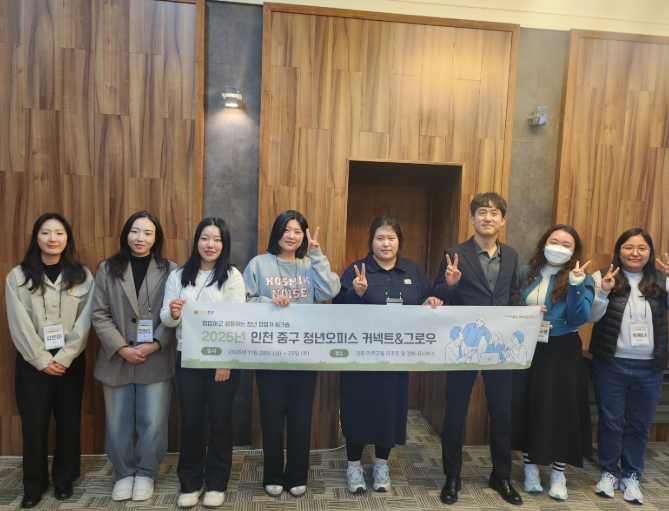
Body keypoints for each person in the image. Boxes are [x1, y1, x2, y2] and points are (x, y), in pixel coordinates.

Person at [334, 216, 442, 494]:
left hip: (396, 358)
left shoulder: (413, 270)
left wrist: (431, 300)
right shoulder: (357, 269)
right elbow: (338, 309)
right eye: (380, 238)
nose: (385, 243)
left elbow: (426, 300)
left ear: (399, 241)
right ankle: (354, 465)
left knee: (389, 410)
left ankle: (381, 463)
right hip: (359, 358)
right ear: (371, 241)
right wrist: (356, 293)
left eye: (391, 238)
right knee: (357, 409)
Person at [432, 192, 526, 506]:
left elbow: (512, 295)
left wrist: (527, 313)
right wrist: (450, 284)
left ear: (503, 220)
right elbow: (438, 294)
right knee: (455, 411)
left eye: (494, 213)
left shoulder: (510, 255)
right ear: (472, 218)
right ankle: (452, 477)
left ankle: (501, 476)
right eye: (482, 212)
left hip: (500, 345)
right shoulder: (454, 253)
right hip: (466, 346)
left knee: (502, 413)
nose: (488, 217)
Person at [243, 210, 340, 498]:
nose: (292, 236)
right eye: (287, 229)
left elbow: (330, 291)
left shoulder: (310, 264)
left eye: (298, 231)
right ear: (277, 232)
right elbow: (243, 300)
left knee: (301, 417)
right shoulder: (259, 264)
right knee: (271, 418)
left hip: (304, 354)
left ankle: (297, 476)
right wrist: (268, 301)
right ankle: (273, 475)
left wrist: (317, 255)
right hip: (268, 353)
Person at [5, 213, 94, 509]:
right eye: (46, 232)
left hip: (71, 361)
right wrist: (41, 359)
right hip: (32, 362)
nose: (52, 239)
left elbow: (85, 321)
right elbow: (18, 322)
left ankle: (64, 480)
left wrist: (66, 357)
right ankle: (34, 485)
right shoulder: (18, 276)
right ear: (36, 237)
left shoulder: (82, 275)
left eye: (59, 233)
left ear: (67, 238)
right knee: (34, 424)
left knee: (68, 422)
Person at [160, 218, 246, 508]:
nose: (211, 245)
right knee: (192, 422)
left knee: (220, 422)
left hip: (223, 361)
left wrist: (225, 359)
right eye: (205, 238)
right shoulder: (178, 275)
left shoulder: (232, 276)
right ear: (196, 241)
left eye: (217, 240)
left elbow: (236, 320)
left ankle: (217, 483)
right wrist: (173, 313)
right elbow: (166, 317)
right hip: (188, 358)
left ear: (224, 244)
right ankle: (191, 482)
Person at [92, 212, 177, 502]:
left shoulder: (170, 270)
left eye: (148, 233)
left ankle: (147, 473)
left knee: (152, 420)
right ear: (126, 234)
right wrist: (121, 347)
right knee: (117, 421)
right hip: (116, 358)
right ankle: (124, 473)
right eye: (135, 231)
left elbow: (174, 314)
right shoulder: (107, 268)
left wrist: (155, 344)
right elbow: (99, 314)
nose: (140, 238)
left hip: (155, 357)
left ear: (156, 238)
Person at [511, 225, 594, 501]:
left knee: (562, 409)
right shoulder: (527, 271)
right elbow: (513, 303)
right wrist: (525, 310)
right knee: (528, 404)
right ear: (544, 244)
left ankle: (559, 473)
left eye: (566, 244)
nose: (558, 247)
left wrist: (576, 285)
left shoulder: (582, 278)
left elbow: (579, 317)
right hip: (528, 346)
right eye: (554, 241)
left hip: (563, 349)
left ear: (574, 251)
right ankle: (530, 468)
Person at [588, 228, 669, 505]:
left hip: (650, 366)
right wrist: (603, 292)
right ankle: (609, 472)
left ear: (650, 252)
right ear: (619, 250)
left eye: (642, 248)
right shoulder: (603, 276)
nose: (635, 253)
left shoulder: (661, 280)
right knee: (610, 422)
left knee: (639, 424)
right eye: (628, 247)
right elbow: (591, 316)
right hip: (612, 363)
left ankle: (632, 475)